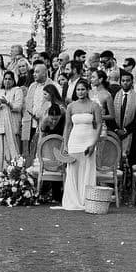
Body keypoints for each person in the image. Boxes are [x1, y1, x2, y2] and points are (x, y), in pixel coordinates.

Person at [60, 78, 101, 212]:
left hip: (89, 139)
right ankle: (73, 199)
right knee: (73, 169)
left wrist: (94, 143)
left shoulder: (94, 105)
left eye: (83, 89)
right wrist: (65, 145)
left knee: (88, 168)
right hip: (74, 140)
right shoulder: (71, 106)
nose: (80, 92)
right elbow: (67, 126)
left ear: (88, 90)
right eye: (78, 89)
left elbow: (99, 124)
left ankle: (86, 199)